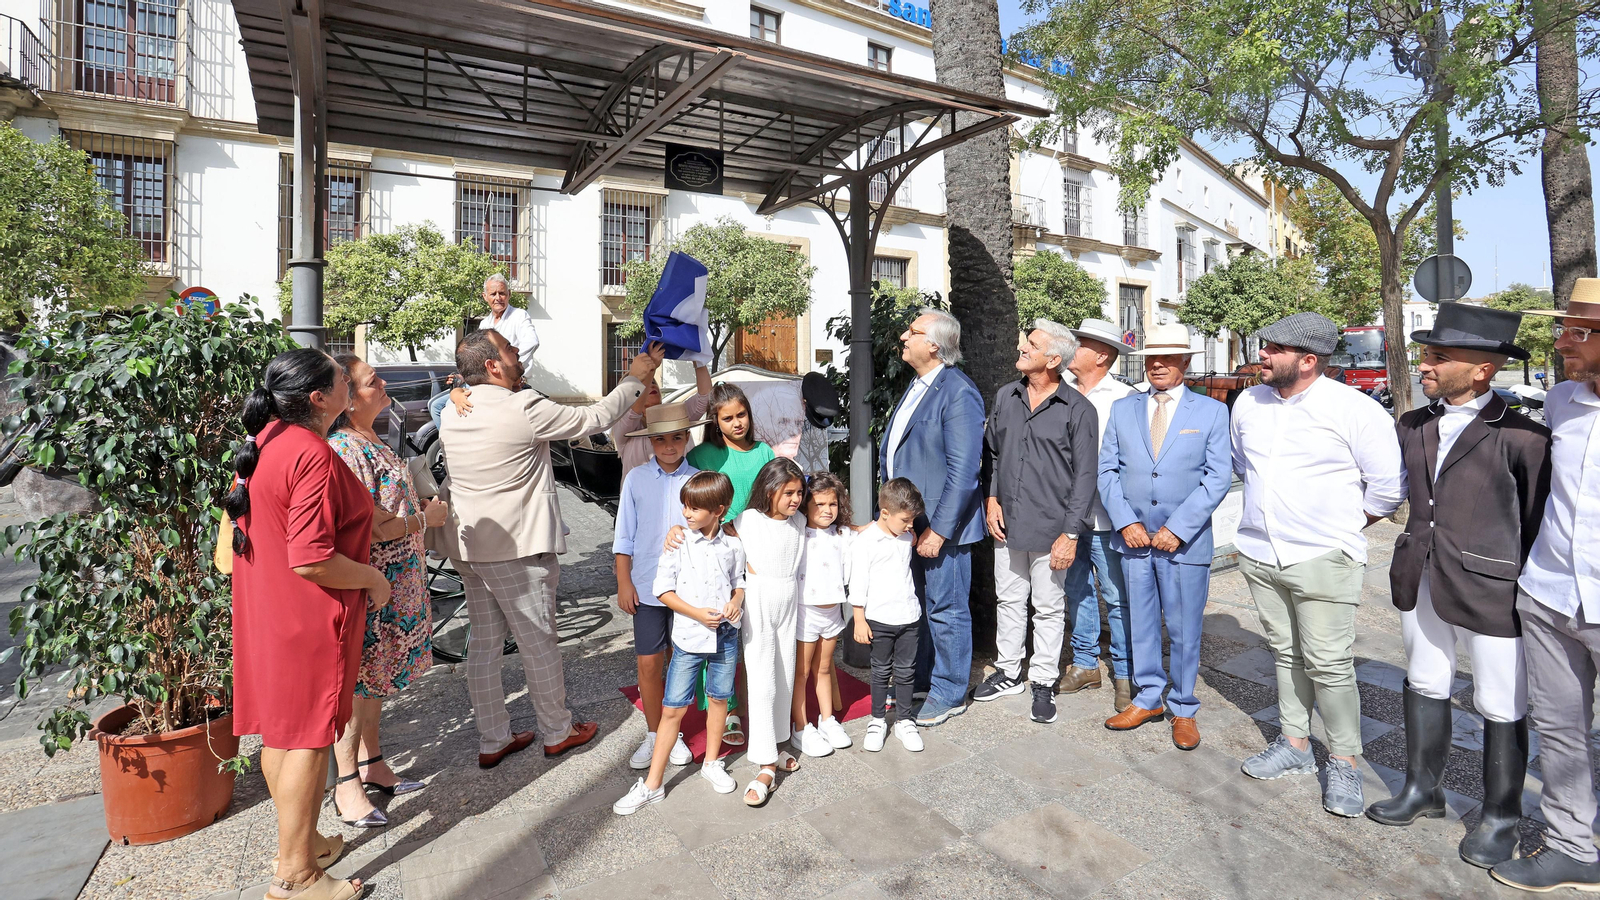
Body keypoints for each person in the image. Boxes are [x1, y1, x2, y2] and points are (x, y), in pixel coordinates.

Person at [1365, 304, 1550, 870]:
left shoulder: (1523, 436)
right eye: (1425, 352)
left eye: (1438, 357)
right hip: (1420, 573)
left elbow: (1539, 519)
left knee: (1500, 699)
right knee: (1424, 680)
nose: (1424, 363)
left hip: (1494, 587)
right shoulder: (1413, 424)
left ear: (1481, 370)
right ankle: (1424, 790)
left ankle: (1500, 814)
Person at [441, 329, 662, 766]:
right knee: (537, 643)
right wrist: (635, 377)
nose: (518, 353)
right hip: (517, 549)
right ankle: (558, 731)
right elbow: (590, 420)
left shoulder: (454, 410)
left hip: (466, 545)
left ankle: (493, 739)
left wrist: (455, 392)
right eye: (509, 349)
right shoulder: (522, 406)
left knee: (484, 645)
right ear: (492, 366)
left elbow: (455, 395)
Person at [226, 349, 390, 900]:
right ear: (319, 398)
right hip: (308, 615)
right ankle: (296, 876)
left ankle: (302, 841)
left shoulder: (264, 441)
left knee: (283, 734)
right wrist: (370, 578)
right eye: (343, 376)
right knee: (307, 741)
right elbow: (311, 556)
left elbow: (232, 546)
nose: (351, 378)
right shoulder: (311, 452)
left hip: (266, 610)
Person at [1232, 312, 1405, 817]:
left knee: (1329, 664)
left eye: (1273, 349)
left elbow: (1389, 489)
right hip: (1261, 555)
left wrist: (1337, 533)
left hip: (1324, 558)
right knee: (1285, 654)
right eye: (1264, 345)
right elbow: (1246, 466)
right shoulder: (1248, 402)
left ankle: (1345, 764)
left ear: (1308, 361)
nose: (1262, 355)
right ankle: (1295, 746)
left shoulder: (1354, 410)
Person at [1489, 282, 1600, 892]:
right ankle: (1571, 847)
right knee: (1561, 732)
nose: (1561, 343)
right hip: (1551, 594)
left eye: (1577, 332)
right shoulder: (1560, 401)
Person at [326, 355, 449, 829]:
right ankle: (347, 783)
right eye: (371, 380)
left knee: (376, 681)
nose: (382, 383)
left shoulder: (370, 438)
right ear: (349, 399)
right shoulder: (346, 449)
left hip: (397, 581)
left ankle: (373, 762)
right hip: (374, 584)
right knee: (360, 682)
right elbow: (371, 528)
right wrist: (425, 520)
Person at [1096, 324, 1231, 750]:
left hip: (1183, 543)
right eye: (1152, 357)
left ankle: (1184, 707)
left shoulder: (1210, 412)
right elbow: (1107, 471)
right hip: (1134, 540)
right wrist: (1125, 521)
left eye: (1168, 358)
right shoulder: (1123, 408)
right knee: (1141, 623)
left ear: (1186, 364)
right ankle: (1149, 697)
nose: (1158, 364)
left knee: (1185, 626)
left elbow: (1218, 477)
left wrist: (1178, 528)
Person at [973, 320, 1099, 725]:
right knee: (1009, 601)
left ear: (1054, 359)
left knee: (1047, 607)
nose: (1022, 347)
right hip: (1006, 521)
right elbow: (992, 454)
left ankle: (1043, 680)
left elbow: (1085, 477)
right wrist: (991, 498)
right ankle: (1009, 672)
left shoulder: (1079, 409)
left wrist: (1071, 534)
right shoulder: (1006, 396)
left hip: (1052, 527)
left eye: (1032, 344)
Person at [613, 471, 746, 813]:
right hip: (687, 638)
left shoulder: (733, 545)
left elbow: (739, 581)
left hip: (725, 636)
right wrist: (696, 613)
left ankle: (712, 762)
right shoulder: (678, 543)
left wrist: (735, 602)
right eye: (684, 506)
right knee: (673, 707)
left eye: (694, 508)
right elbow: (662, 590)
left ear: (719, 509)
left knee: (719, 699)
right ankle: (653, 783)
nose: (686, 514)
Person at [881, 307, 985, 727]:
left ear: (936, 345)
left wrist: (939, 531)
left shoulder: (958, 391)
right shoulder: (919, 385)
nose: (904, 337)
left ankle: (950, 691)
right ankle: (922, 679)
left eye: (913, 331)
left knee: (947, 609)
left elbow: (964, 472)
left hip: (944, 528)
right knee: (918, 606)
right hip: (911, 525)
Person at [613, 402, 706, 772]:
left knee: (681, 663)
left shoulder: (699, 480)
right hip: (648, 587)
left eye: (676, 438)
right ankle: (654, 734)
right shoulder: (635, 478)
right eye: (661, 439)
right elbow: (624, 537)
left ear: (687, 438)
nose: (669, 446)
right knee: (649, 663)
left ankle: (675, 733)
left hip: (688, 590)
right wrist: (624, 581)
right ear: (650, 440)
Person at [1064, 318, 1139, 708]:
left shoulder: (1124, 399)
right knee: (1075, 591)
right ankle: (1084, 663)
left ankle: (1125, 673)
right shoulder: (1059, 388)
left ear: (1102, 355)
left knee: (1116, 595)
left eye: (1081, 344)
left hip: (1108, 518)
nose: (1071, 348)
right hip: (1067, 517)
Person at [731, 456, 808, 806]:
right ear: (769, 489)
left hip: (789, 601)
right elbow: (715, 531)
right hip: (759, 603)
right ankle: (764, 764)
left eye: (799, 492)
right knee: (762, 683)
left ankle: (776, 746)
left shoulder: (801, 523)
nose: (795, 499)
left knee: (785, 675)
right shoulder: (747, 520)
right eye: (788, 492)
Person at [850, 477, 927, 754]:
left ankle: (905, 721)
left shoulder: (906, 537)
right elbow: (857, 580)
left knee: (907, 671)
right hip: (880, 618)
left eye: (912, 521)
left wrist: (910, 532)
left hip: (908, 616)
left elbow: (906, 543)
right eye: (906, 520)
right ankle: (877, 720)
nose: (910, 525)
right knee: (880, 670)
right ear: (885, 513)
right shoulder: (866, 541)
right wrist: (859, 618)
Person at [790, 472, 855, 757]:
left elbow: (868, 531)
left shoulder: (844, 534)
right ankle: (801, 726)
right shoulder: (797, 533)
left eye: (833, 504)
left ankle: (827, 719)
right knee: (802, 672)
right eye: (819, 504)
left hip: (833, 612)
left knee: (825, 668)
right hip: (805, 611)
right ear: (806, 506)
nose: (827, 510)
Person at [687, 382, 775, 522]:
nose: (737, 423)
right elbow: (690, 504)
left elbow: (774, 499)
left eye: (741, 415)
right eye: (727, 418)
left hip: (760, 533)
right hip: (718, 537)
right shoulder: (699, 456)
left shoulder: (764, 452)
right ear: (716, 422)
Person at [613, 362, 713, 483]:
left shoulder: (675, 414)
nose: (651, 385)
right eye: (643, 384)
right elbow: (633, 414)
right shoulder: (623, 424)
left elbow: (704, 398)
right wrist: (650, 367)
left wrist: (699, 360)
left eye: (653, 382)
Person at [481, 273, 540, 371]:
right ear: (485, 297)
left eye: (502, 293)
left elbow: (531, 342)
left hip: (515, 382)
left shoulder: (519, 315)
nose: (498, 298)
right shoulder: (484, 324)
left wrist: (509, 365)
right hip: (492, 381)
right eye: (493, 294)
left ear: (509, 294)